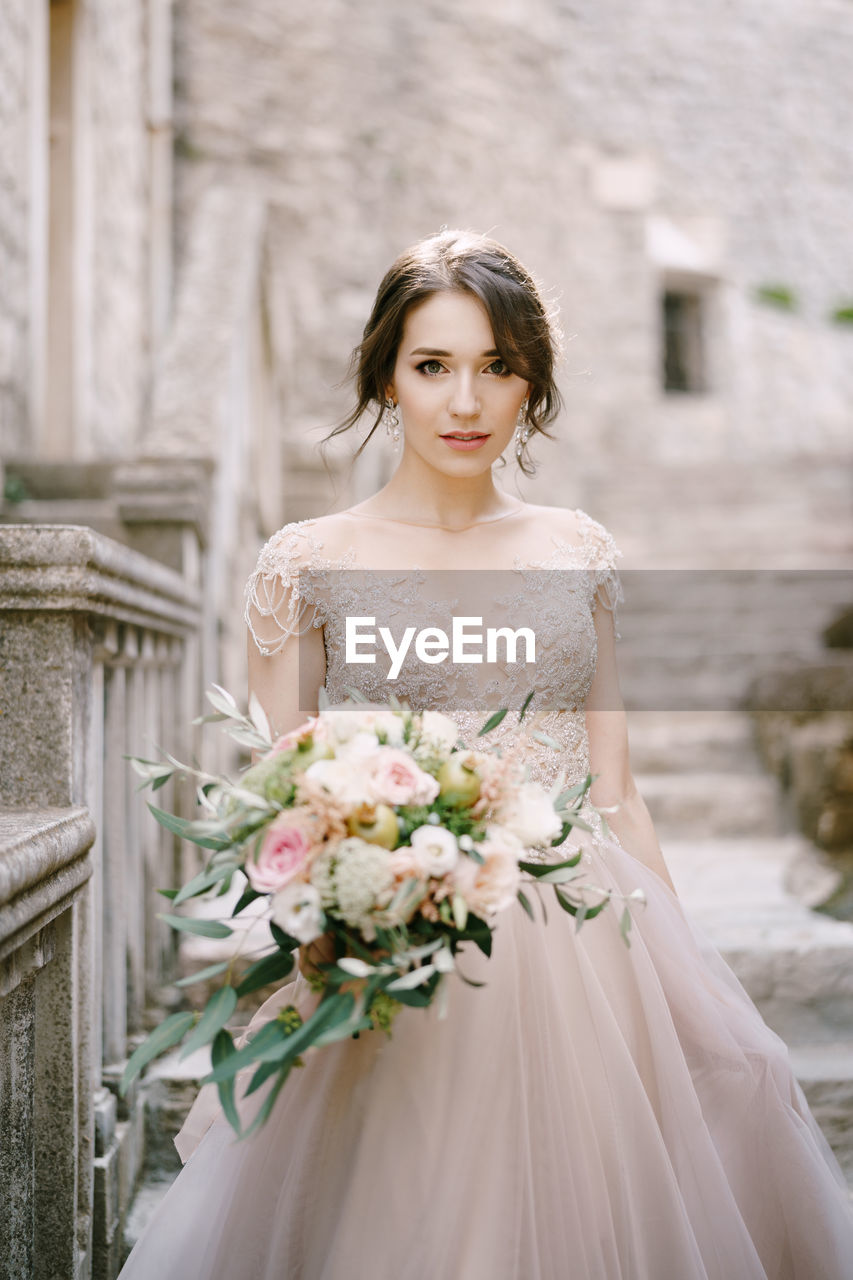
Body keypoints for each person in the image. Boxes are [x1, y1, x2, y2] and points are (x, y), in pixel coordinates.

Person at [120, 230, 853, 1279]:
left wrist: (691, 982)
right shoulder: (306, 564)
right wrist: (309, 955)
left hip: (586, 940)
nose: (465, 400)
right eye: (432, 366)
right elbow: (273, 808)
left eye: (497, 366)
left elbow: (619, 789)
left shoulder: (576, 551)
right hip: (402, 946)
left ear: (531, 383)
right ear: (386, 374)